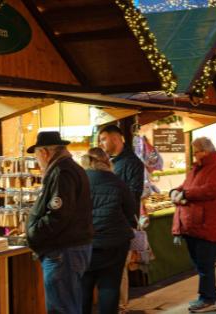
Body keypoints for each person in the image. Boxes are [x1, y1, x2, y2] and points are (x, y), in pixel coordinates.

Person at [25, 131, 93, 313]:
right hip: (69, 249)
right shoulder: (70, 169)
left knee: (62, 308)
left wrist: (34, 232)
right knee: (68, 305)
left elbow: (59, 214)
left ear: (45, 152)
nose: (37, 161)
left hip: (62, 251)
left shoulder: (62, 172)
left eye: (37, 155)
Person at [171, 137, 216, 313]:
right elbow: (184, 186)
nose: (194, 155)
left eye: (196, 151)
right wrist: (174, 192)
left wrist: (186, 194)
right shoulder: (196, 170)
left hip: (208, 225)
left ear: (205, 152)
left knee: (205, 265)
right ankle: (211, 295)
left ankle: (208, 299)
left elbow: (210, 190)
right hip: (194, 226)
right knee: (200, 264)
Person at [80, 148, 138, 314]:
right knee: (110, 287)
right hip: (115, 243)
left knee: (83, 287)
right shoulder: (118, 182)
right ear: (107, 162)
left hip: (86, 242)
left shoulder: (79, 182)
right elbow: (130, 210)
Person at [98, 124, 145, 214]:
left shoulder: (133, 163)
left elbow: (134, 195)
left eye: (103, 139)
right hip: (109, 216)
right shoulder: (107, 162)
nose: (100, 144)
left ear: (115, 139)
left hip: (123, 220)